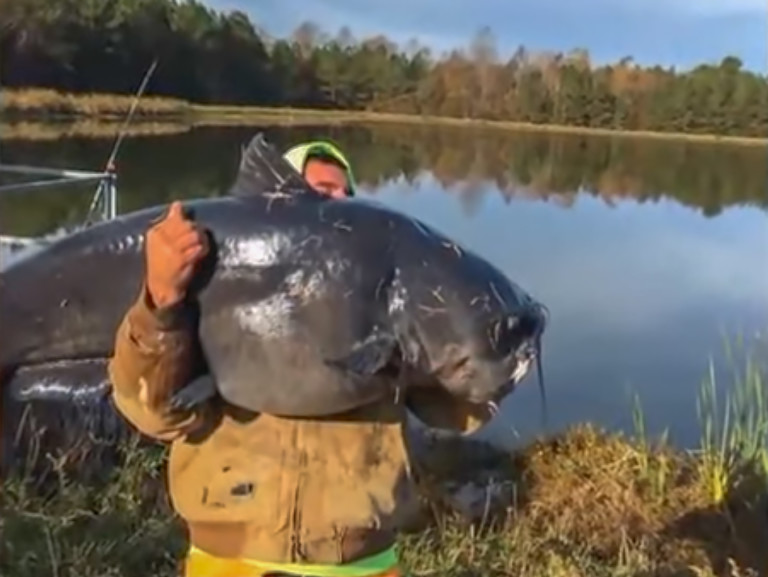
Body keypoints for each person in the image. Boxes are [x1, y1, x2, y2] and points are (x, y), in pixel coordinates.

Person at [107, 140, 493, 577]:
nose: (336, 205)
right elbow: (151, 412)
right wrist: (162, 302)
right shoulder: (208, 294)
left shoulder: (387, 308)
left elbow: (460, 411)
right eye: (318, 192)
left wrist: (472, 341)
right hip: (230, 560)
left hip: (359, 564)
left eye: (344, 198)